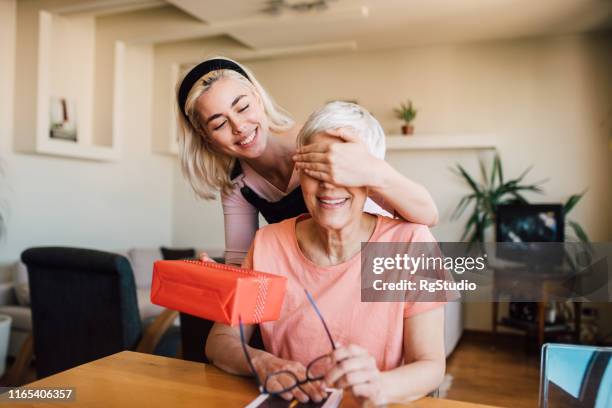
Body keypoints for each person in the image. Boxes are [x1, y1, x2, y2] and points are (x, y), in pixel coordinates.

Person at [205, 102, 446, 405]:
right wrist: (261, 362)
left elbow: (431, 366)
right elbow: (220, 341)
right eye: (315, 170)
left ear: (371, 181)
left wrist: (379, 387)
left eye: (344, 172)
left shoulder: (410, 242)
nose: (329, 185)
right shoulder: (267, 244)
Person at [176, 57, 439, 266]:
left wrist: (371, 170)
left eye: (243, 107)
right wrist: (220, 274)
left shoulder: (320, 140)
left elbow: (427, 215)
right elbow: (242, 263)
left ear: (257, 97)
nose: (239, 126)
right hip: (319, 271)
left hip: (380, 259)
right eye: (220, 123)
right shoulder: (237, 185)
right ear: (205, 136)